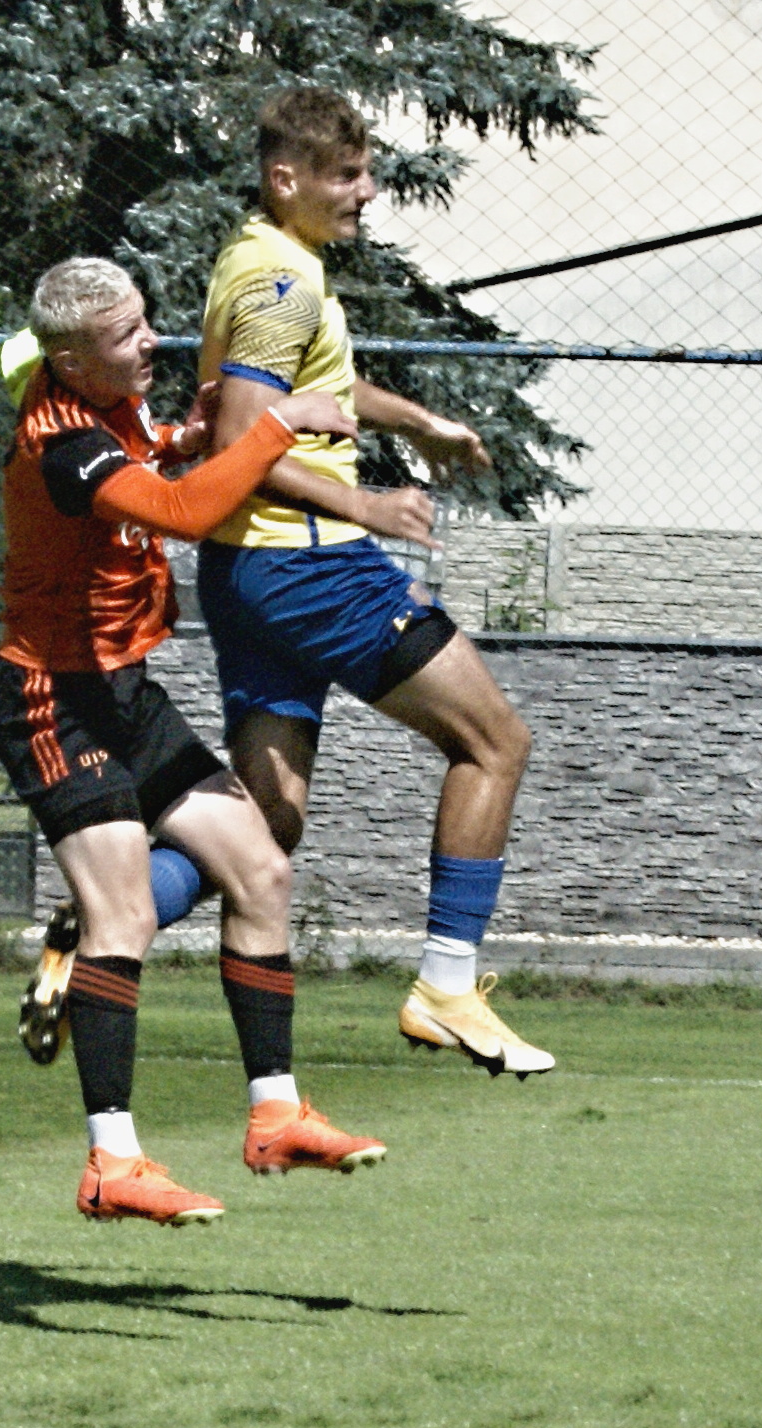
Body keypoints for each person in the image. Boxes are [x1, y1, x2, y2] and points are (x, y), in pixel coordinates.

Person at [0, 256, 386, 1227]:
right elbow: (182, 512)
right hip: (53, 702)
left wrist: (193, 435)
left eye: (145, 320)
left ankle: (275, 1114)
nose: (151, 340)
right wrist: (279, 425)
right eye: (127, 335)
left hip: (125, 693)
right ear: (72, 362)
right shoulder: (61, 442)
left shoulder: (111, 402)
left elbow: (156, 452)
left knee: (259, 865)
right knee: (122, 914)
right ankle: (111, 1163)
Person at [195, 86, 554, 1078]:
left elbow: (312, 388)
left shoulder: (258, 259)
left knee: (267, 824)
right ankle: (446, 984)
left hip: (245, 570)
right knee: (494, 742)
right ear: (286, 179)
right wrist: (367, 506)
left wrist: (420, 422)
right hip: (310, 565)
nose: (365, 192)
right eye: (347, 176)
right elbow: (241, 440)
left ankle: (106, 914)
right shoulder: (285, 282)